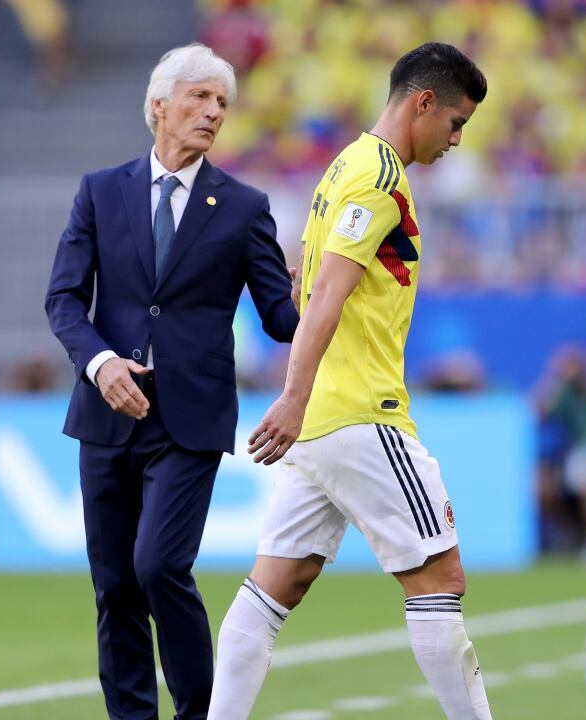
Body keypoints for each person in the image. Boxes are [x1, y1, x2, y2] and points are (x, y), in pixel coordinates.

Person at [208, 43, 492, 719]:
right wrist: (295, 394)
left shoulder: (343, 167)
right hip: (360, 413)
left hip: (321, 423)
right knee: (439, 580)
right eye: (455, 123)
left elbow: (310, 284)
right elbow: (327, 294)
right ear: (423, 103)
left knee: (278, 583)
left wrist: (302, 404)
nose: (456, 140)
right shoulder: (378, 178)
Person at [44, 43, 299, 720]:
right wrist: (100, 364)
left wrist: (328, 287)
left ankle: (200, 715)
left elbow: (281, 318)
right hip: (106, 414)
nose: (214, 112)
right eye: (200, 97)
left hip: (190, 417)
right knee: (116, 588)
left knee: (159, 566)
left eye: (223, 103)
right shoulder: (100, 191)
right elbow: (64, 300)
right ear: (158, 106)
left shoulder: (244, 207)